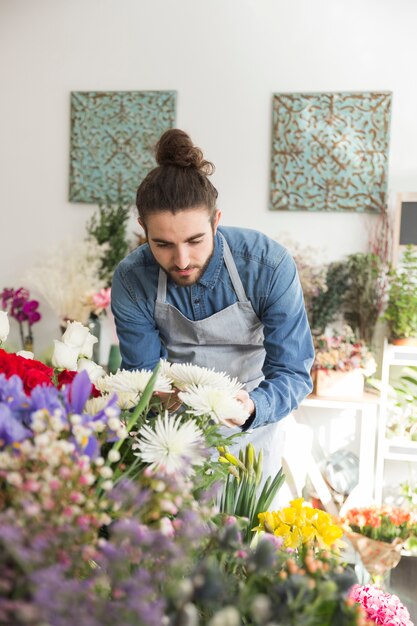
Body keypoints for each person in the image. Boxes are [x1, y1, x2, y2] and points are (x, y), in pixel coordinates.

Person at [111, 128, 314, 479]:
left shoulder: (267, 266)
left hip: (254, 425)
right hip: (173, 435)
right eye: (162, 244)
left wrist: (251, 407)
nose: (182, 259)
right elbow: (144, 379)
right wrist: (169, 408)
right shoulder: (132, 279)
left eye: (195, 240)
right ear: (143, 229)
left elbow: (293, 372)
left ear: (216, 221)